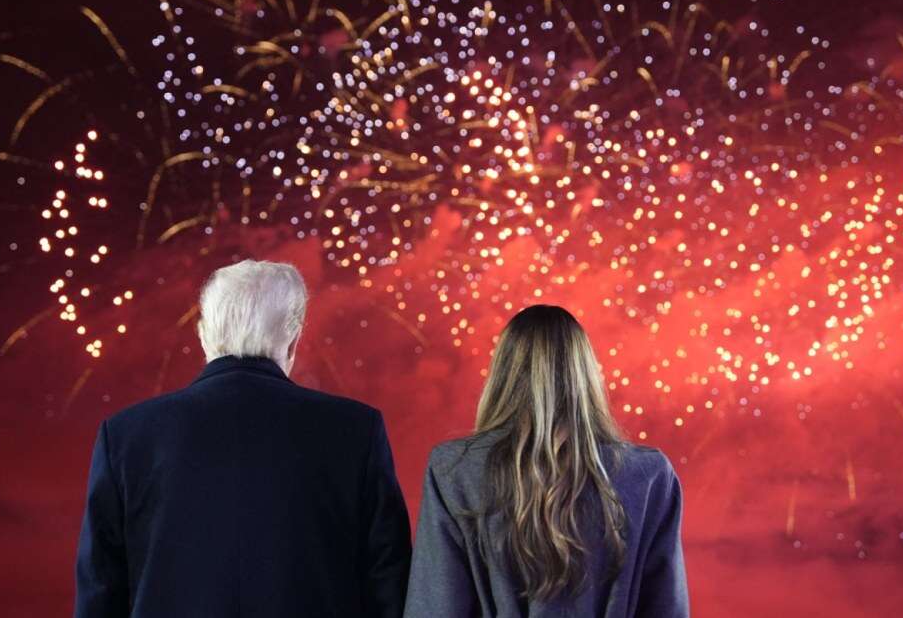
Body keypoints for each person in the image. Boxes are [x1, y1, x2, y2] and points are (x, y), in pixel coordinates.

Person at [74, 260, 412, 618]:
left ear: (203, 334)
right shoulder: (356, 430)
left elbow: (100, 592)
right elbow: (390, 589)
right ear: (294, 340)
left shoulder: (126, 436)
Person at [405, 305, 689, 617]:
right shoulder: (649, 476)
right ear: (585, 374)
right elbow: (666, 609)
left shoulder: (454, 470)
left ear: (502, 374)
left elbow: (435, 606)